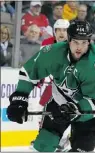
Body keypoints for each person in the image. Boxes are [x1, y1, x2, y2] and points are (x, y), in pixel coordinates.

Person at [6, 20, 95, 152]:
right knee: (43, 146)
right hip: (60, 101)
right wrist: (20, 98)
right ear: (69, 40)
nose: (80, 47)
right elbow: (29, 72)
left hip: (88, 111)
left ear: (89, 42)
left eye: (84, 42)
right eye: (76, 42)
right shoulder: (53, 52)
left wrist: (74, 110)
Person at [30, 18, 70, 152]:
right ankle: (44, 137)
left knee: (67, 112)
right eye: (58, 30)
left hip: (69, 88)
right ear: (54, 31)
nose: (61, 33)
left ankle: (64, 139)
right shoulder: (47, 43)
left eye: (64, 30)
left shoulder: (74, 45)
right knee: (43, 109)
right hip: (52, 85)